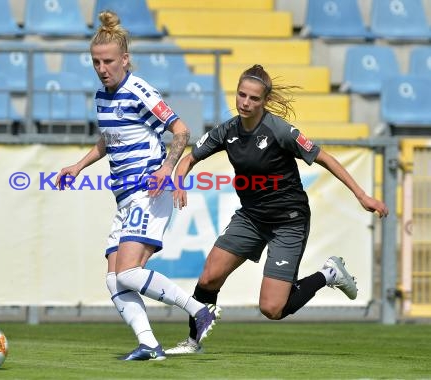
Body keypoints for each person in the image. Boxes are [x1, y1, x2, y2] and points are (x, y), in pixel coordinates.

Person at [165, 64, 389, 355]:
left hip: (288, 221)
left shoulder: (279, 130)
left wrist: (362, 195)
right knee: (209, 277)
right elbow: (190, 158)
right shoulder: (227, 130)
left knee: (272, 308)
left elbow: (326, 158)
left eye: (253, 98)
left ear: (264, 101)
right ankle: (193, 342)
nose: (245, 102)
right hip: (251, 217)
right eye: (241, 95)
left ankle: (328, 275)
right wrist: (179, 180)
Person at [54, 10, 220, 361]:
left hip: (148, 191)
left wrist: (167, 167)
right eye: (96, 61)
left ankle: (199, 310)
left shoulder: (139, 89)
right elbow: (109, 139)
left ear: (125, 59)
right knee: (114, 281)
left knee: (129, 272)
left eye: (109, 61)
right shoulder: (102, 96)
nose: (102, 68)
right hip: (124, 198)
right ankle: (149, 344)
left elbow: (181, 130)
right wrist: (79, 165)